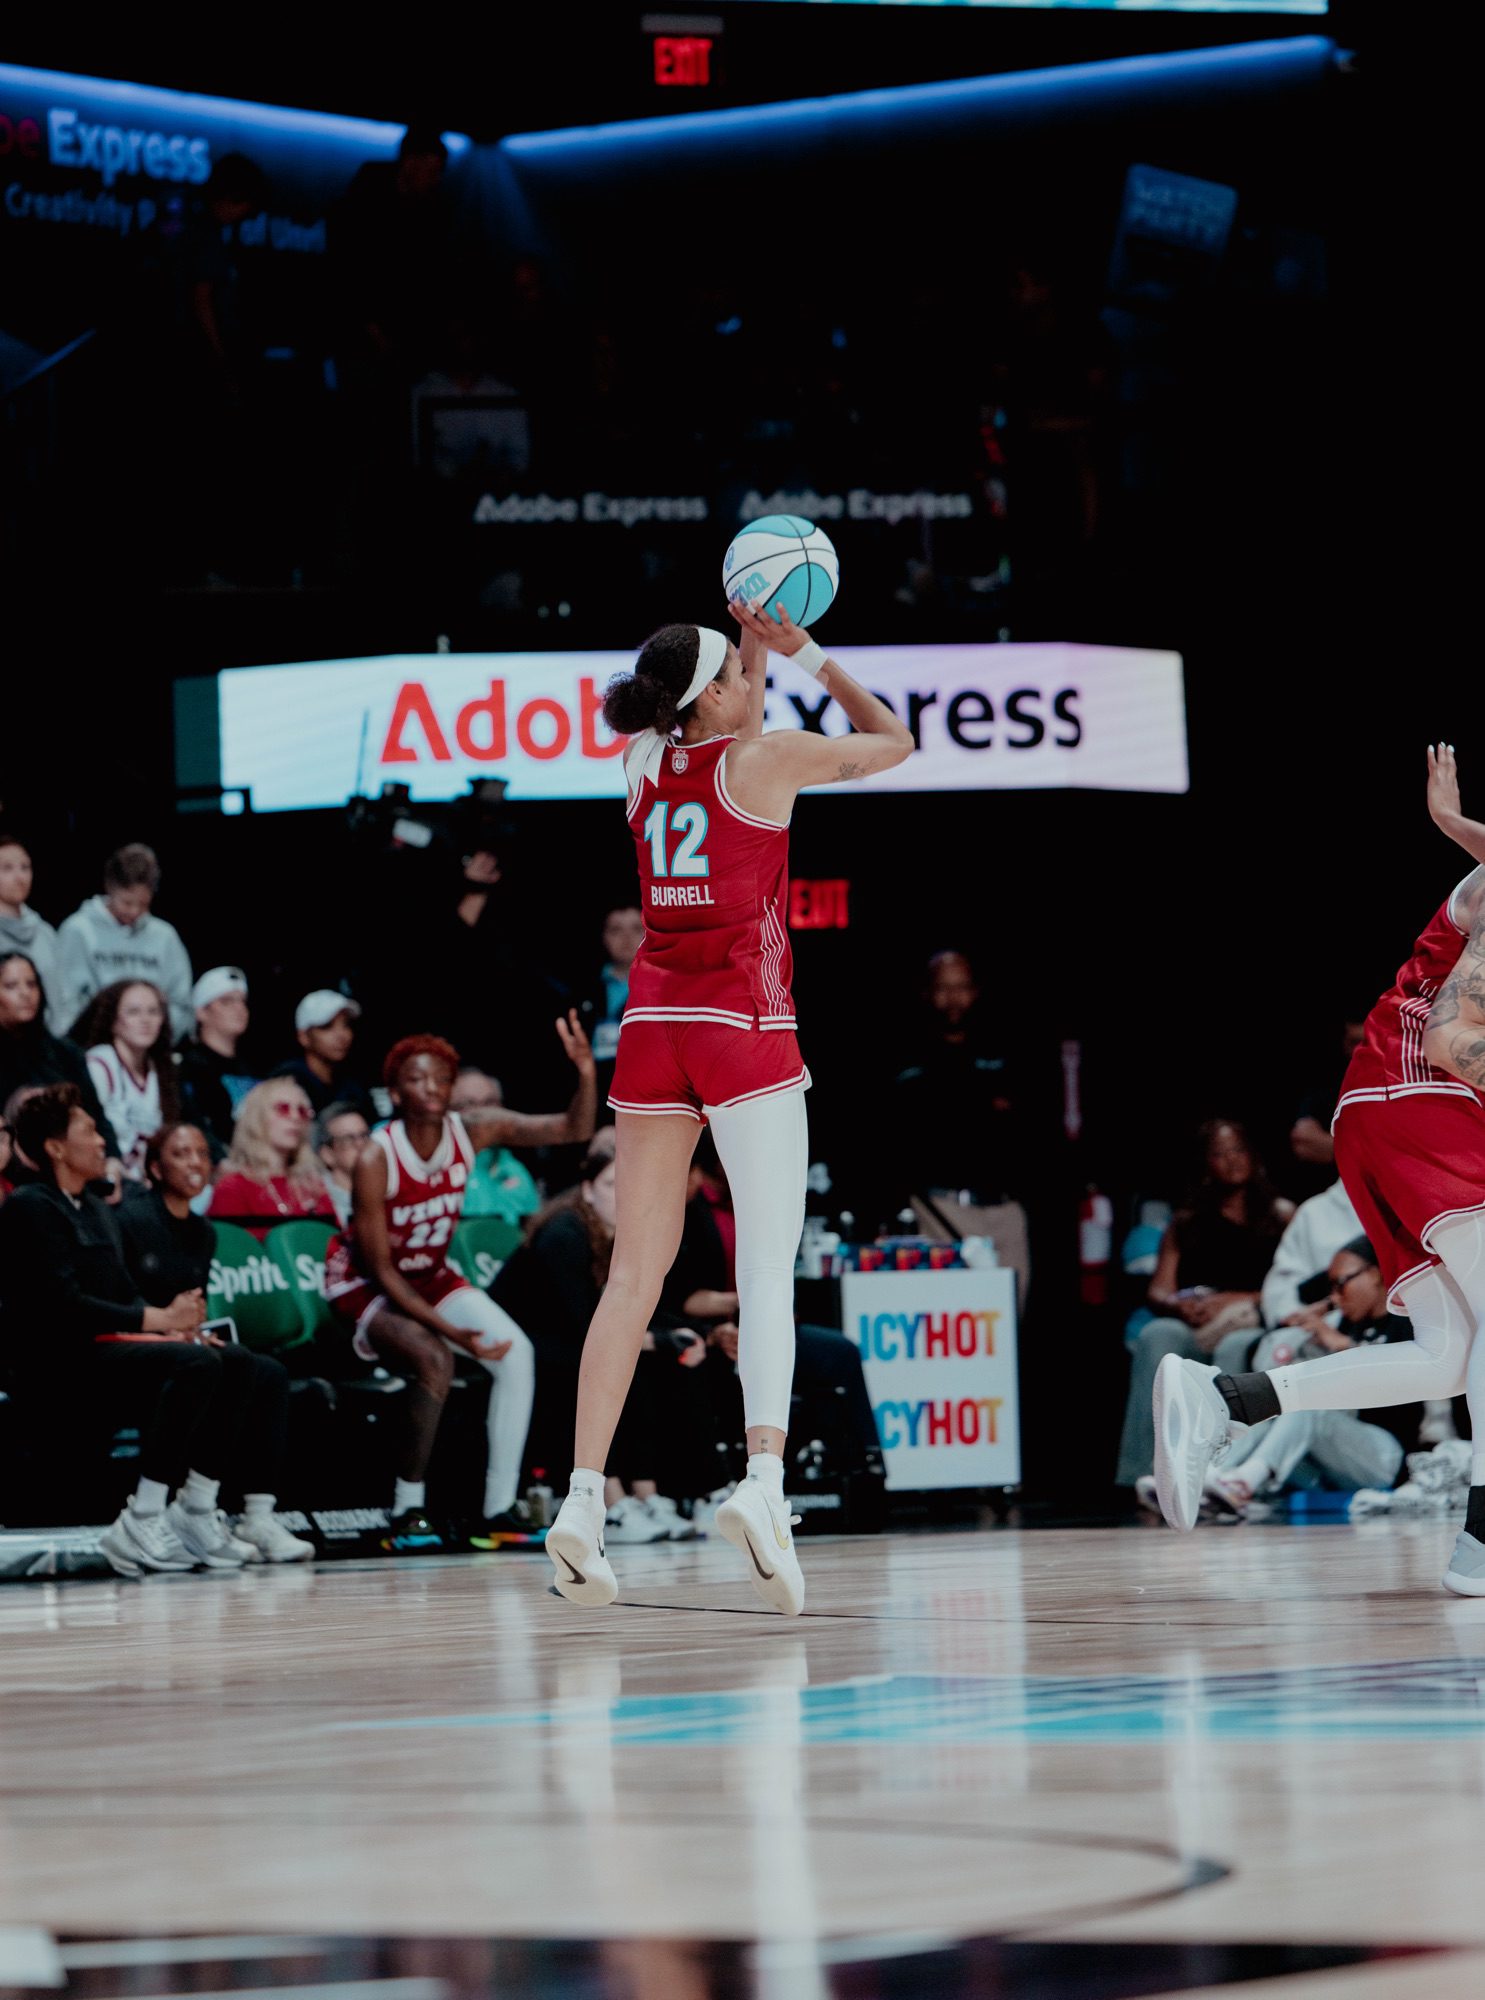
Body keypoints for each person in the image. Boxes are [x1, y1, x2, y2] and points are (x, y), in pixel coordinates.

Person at [545, 596, 913, 1615]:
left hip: (653, 1027)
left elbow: (722, 716)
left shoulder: (638, 764)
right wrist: (810, 651)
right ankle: (762, 1482)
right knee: (766, 1270)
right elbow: (894, 740)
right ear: (714, 695)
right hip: (740, 1024)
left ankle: (582, 1499)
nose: (757, 684)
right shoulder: (769, 762)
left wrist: (749, 636)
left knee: (633, 1276)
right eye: (742, 674)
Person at [1155, 747, 1485, 1599]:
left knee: (1449, 1355)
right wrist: (1456, 828)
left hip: (1392, 1110)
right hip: (1416, 1092)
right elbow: (1453, 1040)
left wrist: (1455, 826)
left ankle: (1227, 1398)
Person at [0, 1084, 312, 1572]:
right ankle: (142, 1515)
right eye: (89, 1131)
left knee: (247, 1364)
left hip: (106, 1349)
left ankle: (201, 1509)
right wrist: (158, 1320)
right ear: (56, 1147)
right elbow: (62, 1306)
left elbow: (125, 1294)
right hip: (55, 1361)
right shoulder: (30, 1206)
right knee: (196, 1365)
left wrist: (174, 1330)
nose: (101, 1141)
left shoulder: (95, 1209)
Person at [324, 1033, 542, 1551]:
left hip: (429, 1272)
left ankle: (498, 1509)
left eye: (441, 1078)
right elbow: (381, 1271)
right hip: (362, 1280)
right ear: (395, 1093)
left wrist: (586, 1072)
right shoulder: (377, 1155)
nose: (431, 1088)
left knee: (518, 1353)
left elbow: (572, 1127)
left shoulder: (467, 1133)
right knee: (434, 1357)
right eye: (417, 1079)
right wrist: (455, 1334)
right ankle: (407, 1509)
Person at [494, 1146, 715, 1540]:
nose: (622, 1195)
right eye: (611, 1184)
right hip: (522, 1342)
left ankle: (647, 1496)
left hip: (571, 1336)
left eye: (630, 1186)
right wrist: (658, 1340)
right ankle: (609, 1503)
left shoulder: (625, 1237)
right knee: (600, 1366)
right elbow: (585, 1324)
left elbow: (641, 1308)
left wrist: (688, 1334)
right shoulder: (564, 1234)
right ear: (587, 1189)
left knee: (647, 1365)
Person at [1116, 1119, 1292, 1490]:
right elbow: (1158, 1289)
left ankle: (1219, 1472)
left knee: (1235, 1348)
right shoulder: (1187, 1221)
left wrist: (1236, 1298)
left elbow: (1295, 1284)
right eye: (1220, 1154)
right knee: (1158, 1335)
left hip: (1252, 1320)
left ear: (1253, 1156)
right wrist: (1178, 1304)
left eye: (1238, 1150)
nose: (1232, 1160)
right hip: (1196, 1322)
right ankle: (1144, 1474)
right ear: (1207, 1163)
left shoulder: (1280, 1216)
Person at [1201, 1237, 1416, 1518]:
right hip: (1329, 1458)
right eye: (1331, 1289)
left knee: (1308, 1403)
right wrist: (1322, 1311)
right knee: (1270, 1411)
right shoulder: (1348, 1321)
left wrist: (1340, 1344)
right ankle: (1207, 1479)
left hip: (1385, 1457)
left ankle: (1242, 1483)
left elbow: (1401, 1380)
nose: (1336, 1297)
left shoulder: (1407, 1319)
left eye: (1341, 1284)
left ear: (1375, 1274)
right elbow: (1305, 1291)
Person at [888, 951, 1030, 1304]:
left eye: (962, 987)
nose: (953, 998)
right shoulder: (907, 1055)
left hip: (1004, 1210)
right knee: (951, 1314)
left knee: (1008, 1316)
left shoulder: (1005, 1049)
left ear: (976, 991)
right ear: (927, 993)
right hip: (939, 1210)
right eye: (943, 988)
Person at [0, 951, 124, 1199]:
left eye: (31, 984)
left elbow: (95, 1114)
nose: (25, 993)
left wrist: (112, 1163)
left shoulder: (65, 1052)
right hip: (16, 1178)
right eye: (11, 986)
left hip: (76, 1173)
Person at [56, 844, 194, 1043]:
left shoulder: (165, 936)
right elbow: (66, 1000)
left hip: (151, 1046)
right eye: (127, 902)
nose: (134, 911)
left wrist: (156, 1038)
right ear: (109, 887)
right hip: (91, 1045)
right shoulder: (78, 930)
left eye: (143, 904)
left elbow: (180, 1002)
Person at [77, 980, 179, 1182]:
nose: (145, 1020)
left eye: (153, 1011)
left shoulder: (162, 1069)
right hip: (107, 1177)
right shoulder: (99, 1065)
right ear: (113, 1020)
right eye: (134, 1012)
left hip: (150, 1181)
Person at [209, 1078, 336, 1237]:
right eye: (283, 1108)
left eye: (302, 1111)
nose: (295, 1117)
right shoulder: (233, 1187)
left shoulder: (312, 1185)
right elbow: (232, 1247)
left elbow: (334, 1242)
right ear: (257, 1117)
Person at [118, 1124, 218, 1304]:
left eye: (203, 1153)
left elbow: (198, 1300)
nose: (196, 1162)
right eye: (182, 1154)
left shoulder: (205, 1231)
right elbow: (121, 1296)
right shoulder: (129, 1219)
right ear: (156, 1169)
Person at [176, 966, 258, 1159]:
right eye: (227, 1001)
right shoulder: (187, 1068)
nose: (239, 1009)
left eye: (242, 1001)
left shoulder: (252, 1068)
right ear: (201, 1012)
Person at [447, 1069, 542, 1225]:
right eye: (467, 1104)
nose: (482, 1113)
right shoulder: (435, 1169)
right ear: (448, 1112)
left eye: (490, 1102)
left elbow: (532, 1228)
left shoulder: (515, 1168)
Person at [0, 833, 66, 1035]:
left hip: (46, 1043)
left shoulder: (45, 932)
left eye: (25, 867)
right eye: (7, 868)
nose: (19, 877)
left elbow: (60, 997)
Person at [272, 991, 376, 1120]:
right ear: (303, 1037)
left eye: (346, 1025)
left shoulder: (355, 1084)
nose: (342, 1035)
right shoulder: (286, 1081)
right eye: (327, 1026)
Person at [588, 905, 646, 1066]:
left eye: (636, 929)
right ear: (603, 936)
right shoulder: (582, 991)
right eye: (616, 930)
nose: (626, 938)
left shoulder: (669, 989)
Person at [315, 1099, 372, 1229]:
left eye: (364, 1136)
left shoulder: (389, 1189)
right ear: (327, 1155)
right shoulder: (318, 1204)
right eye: (348, 1139)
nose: (360, 1144)